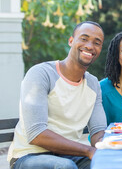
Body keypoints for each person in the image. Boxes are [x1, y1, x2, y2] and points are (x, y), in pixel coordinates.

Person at [7, 21, 107, 169]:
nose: (90, 46)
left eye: (97, 43)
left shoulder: (93, 84)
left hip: (71, 156)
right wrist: (88, 150)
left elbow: (98, 132)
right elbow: (37, 134)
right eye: (84, 39)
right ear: (71, 41)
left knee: (108, 164)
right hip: (29, 156)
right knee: (65, 166)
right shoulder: (41, 74)